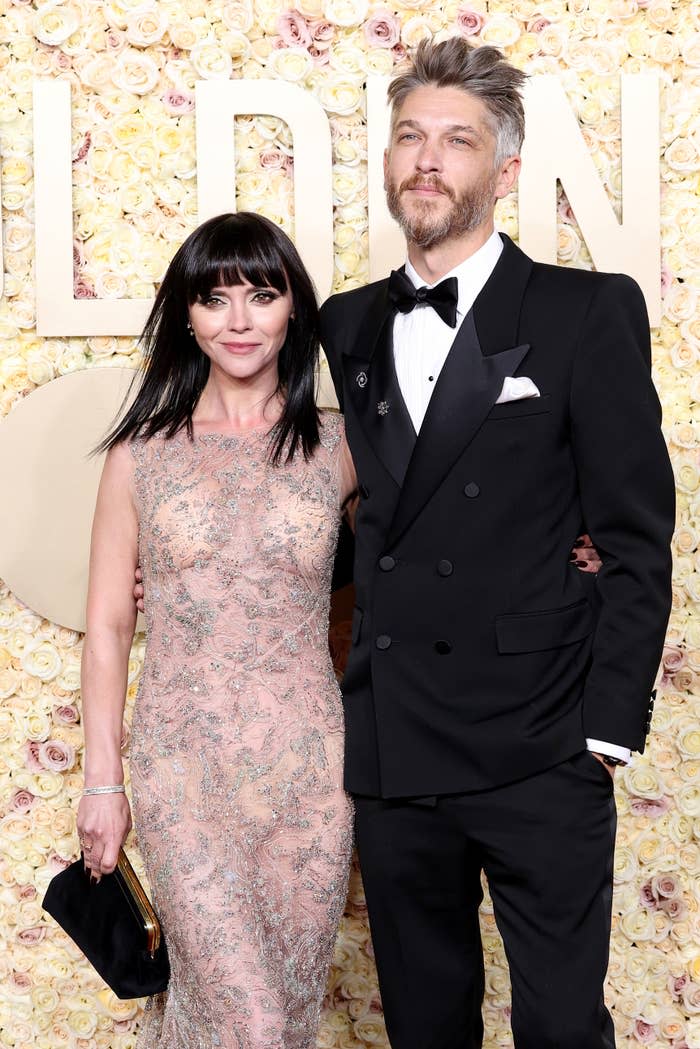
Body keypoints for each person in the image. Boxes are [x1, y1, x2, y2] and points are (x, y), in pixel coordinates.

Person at [318, 38, 675, 1049]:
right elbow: (365, 519)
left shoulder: (582, 310)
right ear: (389, 161)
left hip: (541, 741)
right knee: (426, 1028)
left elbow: (635, 532)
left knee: (562, 1030)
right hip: (396, 747)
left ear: (503, 171)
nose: (427, 161)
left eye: (457, 141)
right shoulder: (345, 325)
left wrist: (606, 725)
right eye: (409, 138)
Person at [76, 212, 356, 1049]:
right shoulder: (141, 455)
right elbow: (106, 621)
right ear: (187, 315)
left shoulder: (344, 448)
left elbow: (436, 557)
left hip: (311, 775)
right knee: (252, 1020)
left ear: (293, 310)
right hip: (183, 772)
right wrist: (102, 781)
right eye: (215, 298)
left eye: (262, 295)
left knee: (278, 1012)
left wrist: (575, 544)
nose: (239, 319)